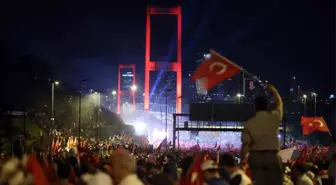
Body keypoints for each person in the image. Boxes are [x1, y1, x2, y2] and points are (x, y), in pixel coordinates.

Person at [240, 84, 283, 185]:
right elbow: (279, 104)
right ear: (267, 106)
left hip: (256, 157)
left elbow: (245, 145)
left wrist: (242, 161)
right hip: (272, 156)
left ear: (255, 107)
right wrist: (273, 90)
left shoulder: (249, 123)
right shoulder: (274, 118)